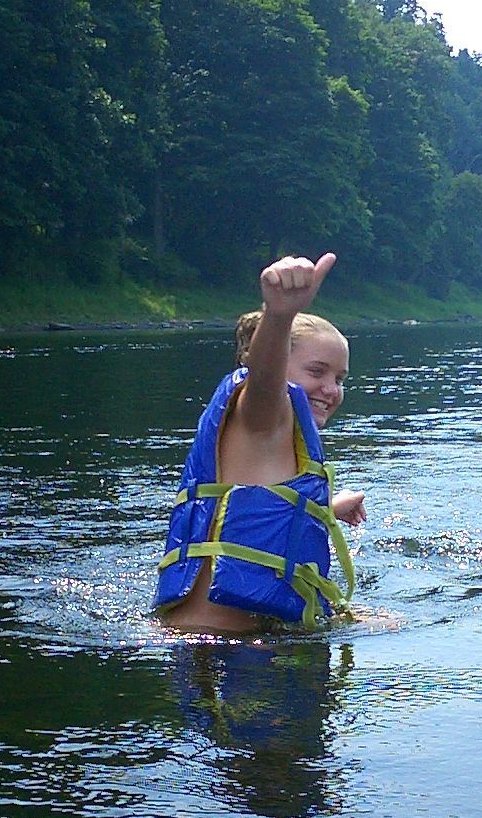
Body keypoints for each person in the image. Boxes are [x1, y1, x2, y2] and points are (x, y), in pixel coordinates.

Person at [153, 253, 365, 633]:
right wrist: (280, 315)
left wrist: (326, 510)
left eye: (341, 378)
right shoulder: (263, 412)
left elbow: (257, 513)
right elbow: (265, 381)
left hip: (236, 647)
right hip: (212, 654)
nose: (332, 389)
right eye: (317, 371)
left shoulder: (281, 436)